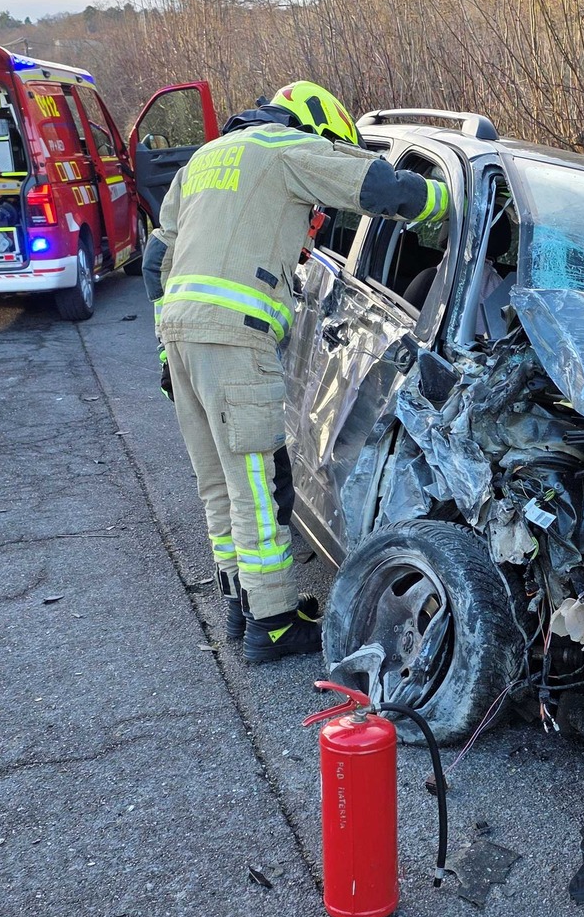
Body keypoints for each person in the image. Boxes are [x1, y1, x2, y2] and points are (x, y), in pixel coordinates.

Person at [152, 80, 448, 663]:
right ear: (312, 128)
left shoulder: (206, 157)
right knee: (259, 485)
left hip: (180, 337)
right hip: (236, 339)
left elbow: (159, 256)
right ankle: (274, 624)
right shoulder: (286, 148)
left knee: (219, 481)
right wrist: (441, 203)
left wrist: (165, 353)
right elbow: (374, 184)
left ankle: (239, 603)